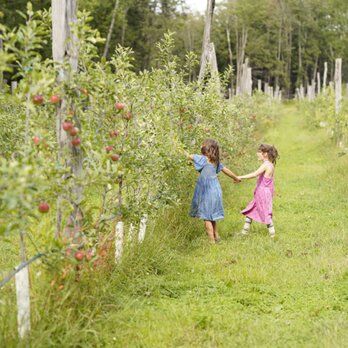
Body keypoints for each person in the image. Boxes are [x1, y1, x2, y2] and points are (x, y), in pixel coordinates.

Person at [186, 139, 240, 243]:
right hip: (216, 190)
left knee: (206, 217)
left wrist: (179, 149)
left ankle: (211, 242)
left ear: (206, 148)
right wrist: (236, 178)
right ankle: (217, 237)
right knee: (212, 216)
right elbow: (226, 170)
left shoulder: (202, 159)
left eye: (202, 145)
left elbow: (189, 156)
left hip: (206, 192)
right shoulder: (216, 162)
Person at [238, 144, 279, 238]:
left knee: (265, 213)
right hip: (264, 192)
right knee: (251, 210)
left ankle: (273, 236)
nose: (257, 154)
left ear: (265, 154)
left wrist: (240, 177)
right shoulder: (270, 164)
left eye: (259, 152)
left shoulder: (266, 165)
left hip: (263, 193)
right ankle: (244, 232)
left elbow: (254, 174)